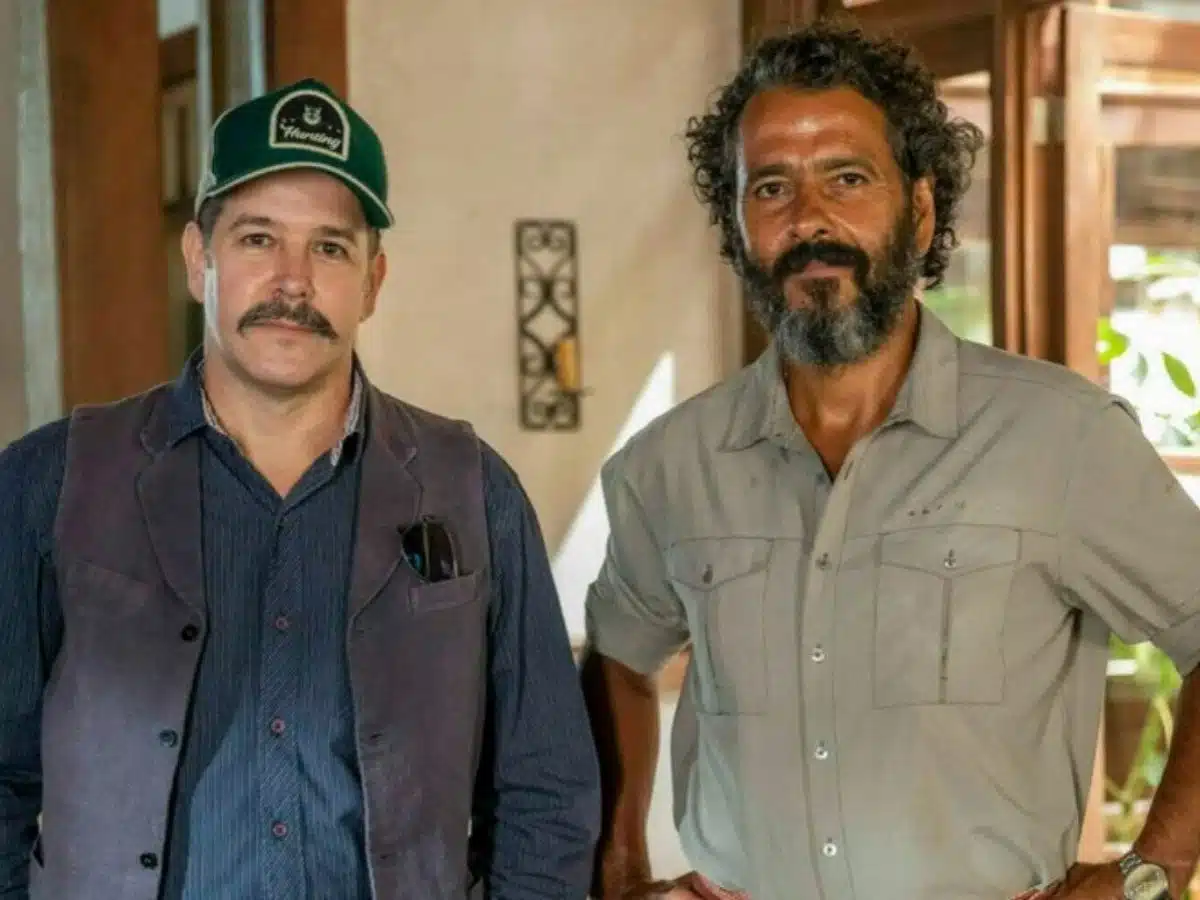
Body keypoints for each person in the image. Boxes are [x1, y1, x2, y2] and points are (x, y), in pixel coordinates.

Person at [581, 19, 1200, 900]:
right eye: (770, 187)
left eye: (848, 178)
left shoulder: (1063, 438)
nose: (809, 219)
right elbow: (617, 655)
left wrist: (1154, 870)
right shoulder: (668, 467)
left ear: (920, 207)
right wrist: (619, 872)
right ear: (736, 223)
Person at [0, 77, 599, 900]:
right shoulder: (51, 481)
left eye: (330, 248)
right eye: (257, 239)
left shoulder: (472, 488)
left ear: (373, 281)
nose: (293, 281)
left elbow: (547, 791)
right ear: (199, 260)